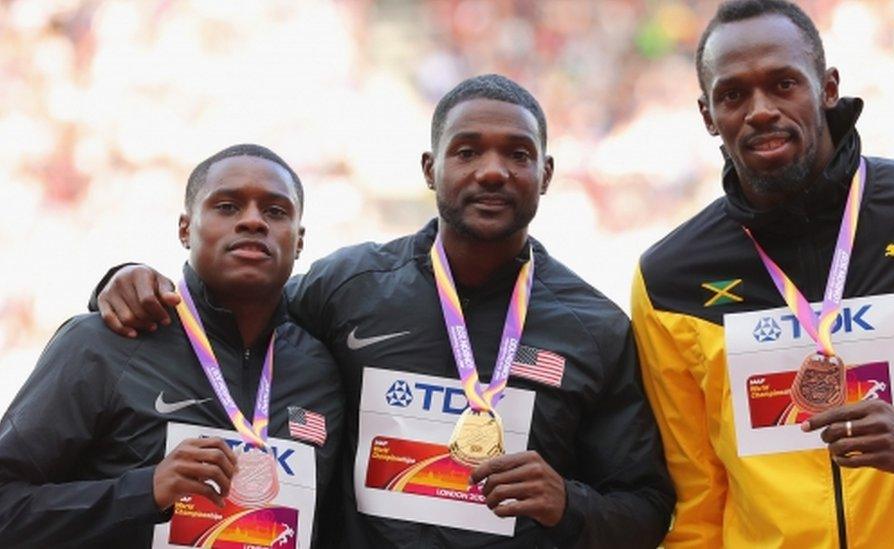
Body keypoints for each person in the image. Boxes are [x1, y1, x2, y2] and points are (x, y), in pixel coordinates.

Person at [89, 75, 675, 548]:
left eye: (517, 155)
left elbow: (646, 510)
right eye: (467, 151)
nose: (492, 171)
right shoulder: (350, 286)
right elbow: (232, 316)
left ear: (545, 175)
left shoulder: (593, 327)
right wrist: (121, 281)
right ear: (430, 169)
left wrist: (570, 505)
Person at [631, 1, 894, 547]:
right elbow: (698, 503)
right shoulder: (670, 280)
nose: (760, 110)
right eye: (733, 95)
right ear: (707, 116)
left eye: (784, 83)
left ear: (828, 87)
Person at [0, 144, 344, 547]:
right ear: (185, 229)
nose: (253, 220)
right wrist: (145, 492)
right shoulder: (106, 342)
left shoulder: (322, 369)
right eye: (228, 206)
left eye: (275, 211)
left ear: (299, 240)